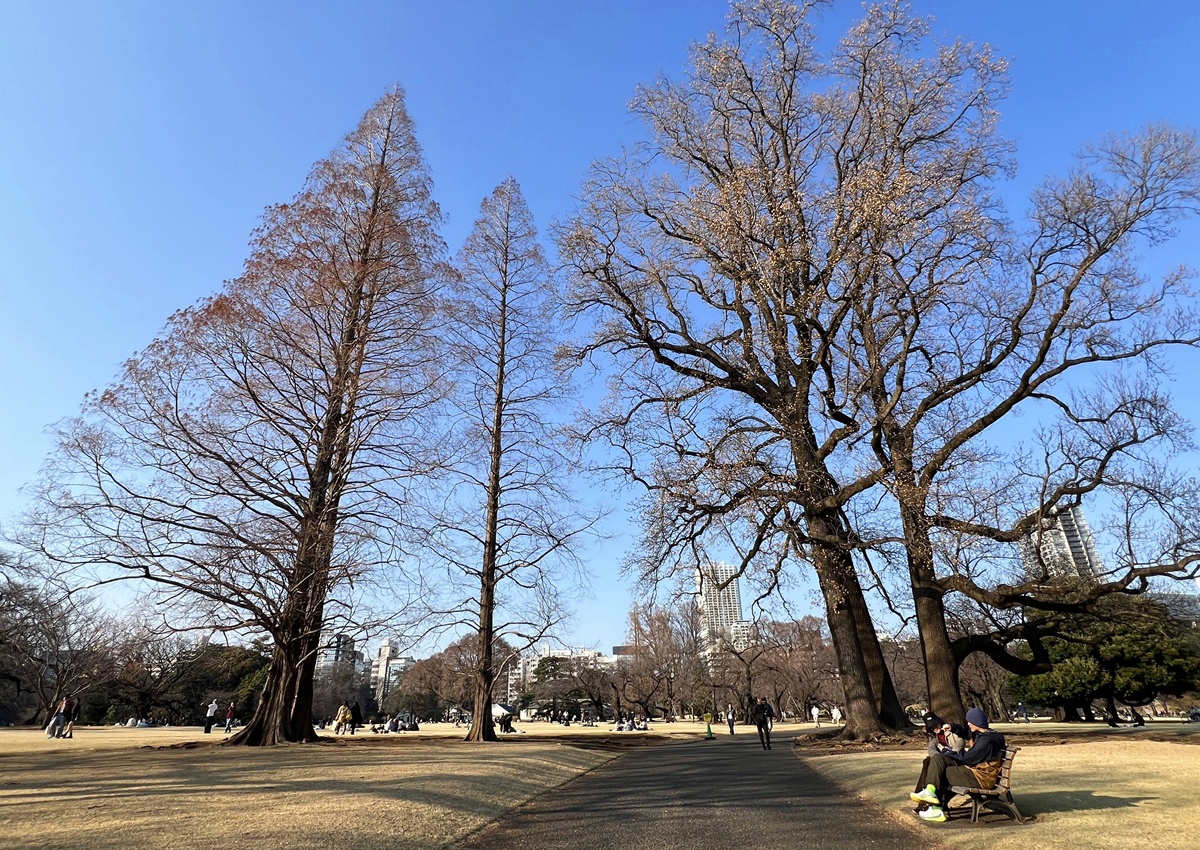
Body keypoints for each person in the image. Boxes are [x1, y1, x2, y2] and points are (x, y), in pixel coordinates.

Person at [910, 708, 1006, 823]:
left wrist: (950, 754)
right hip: (974, 772)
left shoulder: (987, 741)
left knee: (941, 770)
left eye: (970, 721)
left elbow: (969, 758)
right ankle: (930, 795)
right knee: (935, 760)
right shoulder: (982, 734)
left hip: (980, 778)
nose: (968, 723)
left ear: (977, 722)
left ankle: (936, 808)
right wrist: (953, 727)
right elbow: (966, 732)